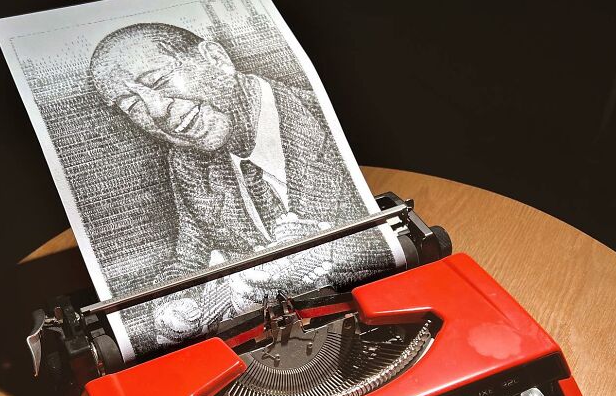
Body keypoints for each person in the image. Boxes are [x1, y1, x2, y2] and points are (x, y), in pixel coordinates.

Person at [89, 22, 402, 343]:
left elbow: (389, 241)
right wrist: (172, 305)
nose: (157, 113)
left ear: (216, 58)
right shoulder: (186, 161)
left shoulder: (322, 117)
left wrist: (328, 250)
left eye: (160, 80)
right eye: (132, 106)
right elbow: (188, 258)